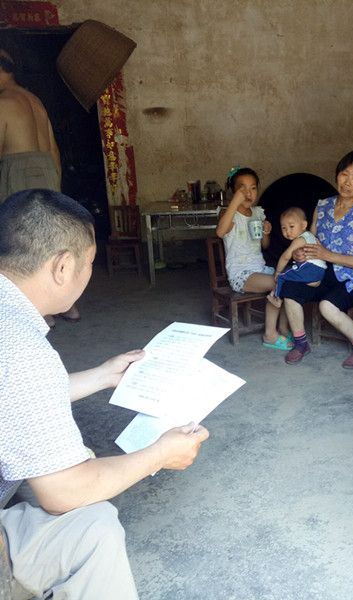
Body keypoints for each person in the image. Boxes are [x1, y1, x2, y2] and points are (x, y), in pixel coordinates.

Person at [0, 189, 209, 599]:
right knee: (93, 525)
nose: (89, 274)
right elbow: (64, 491)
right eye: (89, 263)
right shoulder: (21, 347)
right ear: (62, 267)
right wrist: (159, 455)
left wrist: (101, 375)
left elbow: (17, 399)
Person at [0, 48, 80, 326]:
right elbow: (54, 149)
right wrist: (55, 184)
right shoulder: (35, 101)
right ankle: (67, 305)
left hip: (17, 171)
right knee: (49, 239)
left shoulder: (3, 102)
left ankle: (41, 313)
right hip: (47, 169)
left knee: (19, 244)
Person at [278, 150, 353, 369]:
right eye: (344, 174)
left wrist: (328, 255)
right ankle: (301, 343)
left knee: (327, 306)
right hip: (322, 271)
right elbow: (309, 239)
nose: (347, 182)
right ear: (337, 175)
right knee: (289, 288)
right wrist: (299, 253)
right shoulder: (323, 206)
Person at [216, 166, 291, 350]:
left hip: (260, 269)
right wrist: (235, 202)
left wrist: (266, 232)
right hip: (241, 274)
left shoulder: (258, 213)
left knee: (290, 278)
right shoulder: (228, 214)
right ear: (233, 192)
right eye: (242, 188)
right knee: (279, 283)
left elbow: (264, 245)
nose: (248, 193)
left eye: (253, 188)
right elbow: (220, 232)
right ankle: (270, 335)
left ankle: (283, 328)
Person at [267, 206, 326, 308]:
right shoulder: (309, 235)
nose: (287, 231)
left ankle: (278, 299)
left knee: (282, 276)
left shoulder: (299, 240)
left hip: (310, 269)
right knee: (290, 272)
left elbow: (285, 257)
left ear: (303, 225)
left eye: (291, 226)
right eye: (284, 228)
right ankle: (314, 282)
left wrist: (278, 271)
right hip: (319, 272)